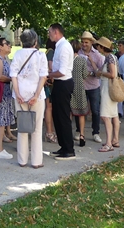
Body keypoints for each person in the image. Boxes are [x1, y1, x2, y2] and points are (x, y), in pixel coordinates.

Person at [10, 29, 48, 168]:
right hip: (36, 94)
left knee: (22, 127)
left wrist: (17, 93)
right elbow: (43, 76)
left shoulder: (17, 54)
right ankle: (36, 161)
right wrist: (36, 95)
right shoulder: (41, 55)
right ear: (35, 42)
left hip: (20, 94)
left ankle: (22, 160)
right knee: (37, 128)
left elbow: (13, 75)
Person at [48, 23, 75, 159]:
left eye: (50, 32)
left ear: (56, 32)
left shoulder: (64, 46)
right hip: (59, 83)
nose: (49, 35)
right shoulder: (59, 46)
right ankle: (63, 146)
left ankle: (69, 149)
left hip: (64, 83)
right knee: (57, 116)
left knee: (63, 116)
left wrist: (49, 75)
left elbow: (62, 71)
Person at [78, 31, 104, 143]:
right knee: (80, 110)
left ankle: (96, 132)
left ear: (91, 42)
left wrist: (91, 73)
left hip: (93, 86)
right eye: (82, 42)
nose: (84, 44)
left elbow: (101, 72)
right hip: (81, 86)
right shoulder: (78, 53)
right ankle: (79, 132)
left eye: (86, 42)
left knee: (95, 110)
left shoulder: (97, 55)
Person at [96, 37, 120, 152]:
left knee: (105, 116)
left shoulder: (109, 58)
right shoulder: (112, 57)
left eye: (98, 46)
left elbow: (112, 74)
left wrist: (101, 73)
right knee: (114, 115)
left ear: (102, 47)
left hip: (108, 89)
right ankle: (115, 139)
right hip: (110, 89)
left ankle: (109, 143)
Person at [69, 39, 90, 147]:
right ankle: (82, 135)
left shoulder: (67, 60)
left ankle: (68, 134)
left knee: (69, 112)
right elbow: (85, 75)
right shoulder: (82, 60)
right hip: (79, 88)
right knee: (81, 113)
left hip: (68, 87)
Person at [44, 38, 57, 143]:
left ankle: (50, 131)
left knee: (49, 107)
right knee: (49, 107)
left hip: (47, 82)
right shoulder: (51, 52)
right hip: (50, 83)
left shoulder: (47, 52)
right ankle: (49, 132)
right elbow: (51, 67)